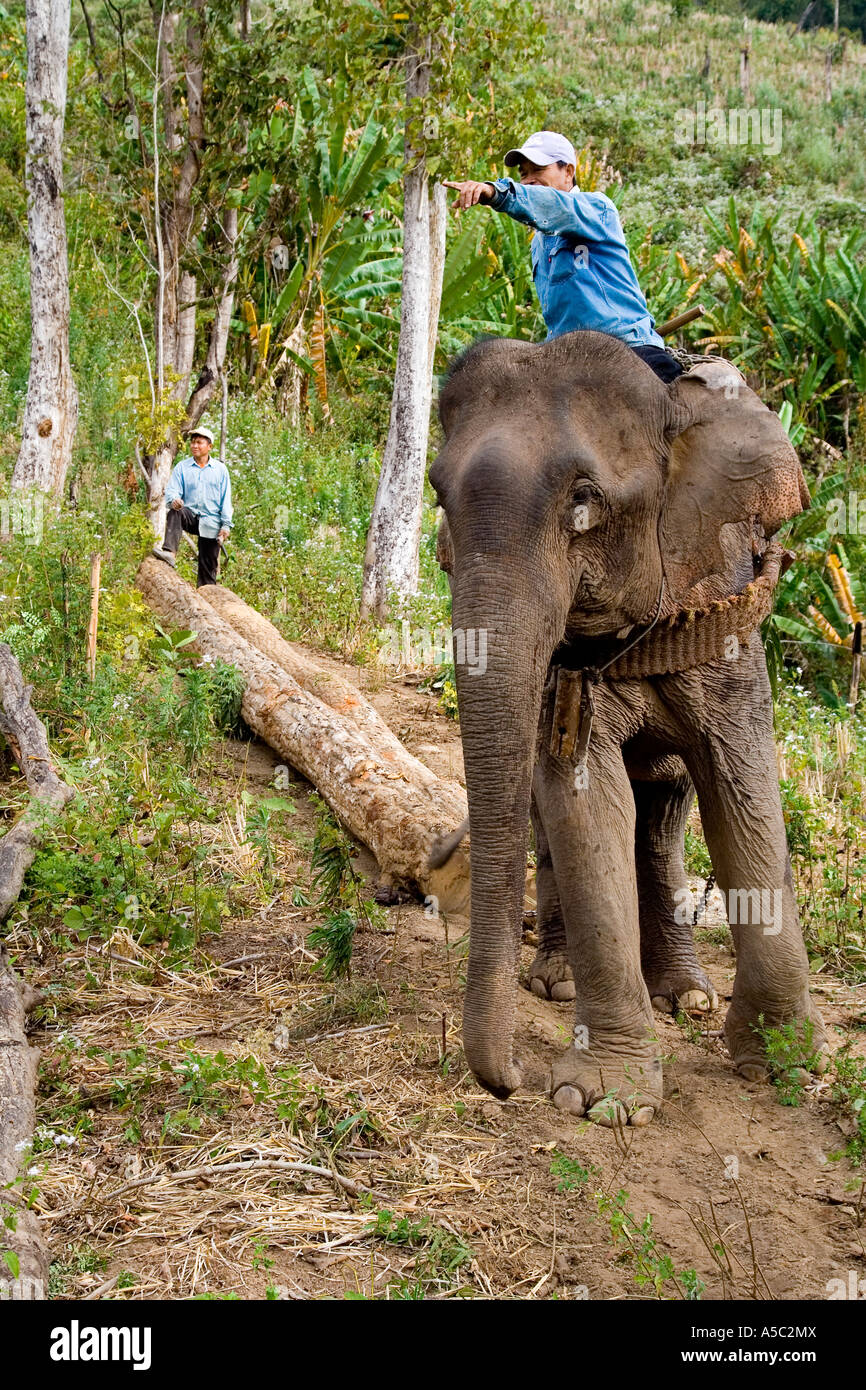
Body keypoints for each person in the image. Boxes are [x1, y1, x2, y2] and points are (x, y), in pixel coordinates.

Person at [443, 130, 684, 383]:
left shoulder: (597, 208)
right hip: (568, 361)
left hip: (628, 348)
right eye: (523, 174)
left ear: (568, 172)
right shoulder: (538, 242)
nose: (528, 180)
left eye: (537, 169)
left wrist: (497, 193)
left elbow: (553, 205)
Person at [152, 427, 233, 587]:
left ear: (209, 446)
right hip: (191, 517)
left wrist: (225, 526)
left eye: (199, 443)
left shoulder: (220, 470)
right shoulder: (183, 467)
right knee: (176, 512)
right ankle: (170, 553)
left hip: (211, 522)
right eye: (193, 442)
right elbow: (172, 490)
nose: (194, 446)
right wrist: (174, 499)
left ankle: (207, 598)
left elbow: (226, 500)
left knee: (208, 570)